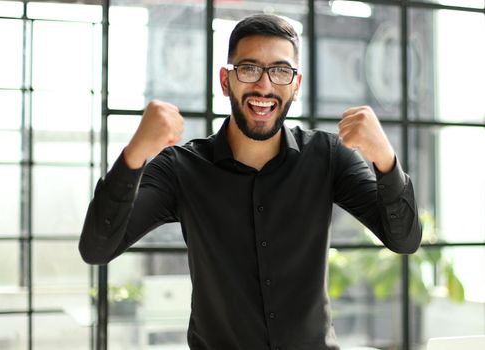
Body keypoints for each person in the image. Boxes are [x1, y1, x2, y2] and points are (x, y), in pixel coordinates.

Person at [79, 14, 422, 350]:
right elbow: (97, 248)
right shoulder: (180, 168)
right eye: (249, 68)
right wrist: (135, 153)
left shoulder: (329, 157)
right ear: (226, 80)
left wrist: (385, 159)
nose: (264, 85)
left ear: (296, 85)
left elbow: (404, 239)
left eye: (280, 70)